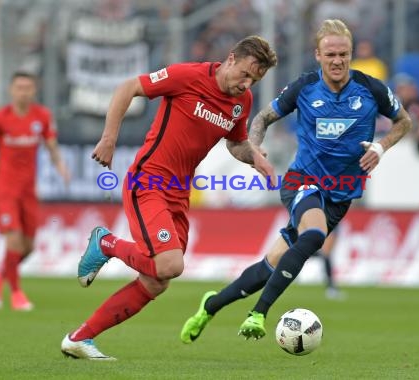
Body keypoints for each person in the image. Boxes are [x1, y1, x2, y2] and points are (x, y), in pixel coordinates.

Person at [180, 19, 412, 343]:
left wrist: (381, 146)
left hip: (341, 195)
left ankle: (211, 305)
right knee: (315, 235)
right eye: (330, 54)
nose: (337, 61)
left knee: (269, 266)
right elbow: (262, 117)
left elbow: (403, 121)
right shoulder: (304, 87)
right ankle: (258, 313)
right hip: (302, 181)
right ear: (317, 55)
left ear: (351, 54)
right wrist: (254, 144)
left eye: (343, 54)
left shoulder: (370, 89)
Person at [60, 35, 278, 360]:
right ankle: (106, 244)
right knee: (170, 263)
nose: (247, 83)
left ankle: (80, 338)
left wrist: (254, 157)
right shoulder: (187, 76)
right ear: (231, 58)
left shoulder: (241, 101)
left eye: (254, 79)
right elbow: (128, 87)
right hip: (148, 181)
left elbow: (235, 142)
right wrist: (109, 138)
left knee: (157, 281)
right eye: (245, 73)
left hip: (178, 193)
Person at [0, 71, 70, 311]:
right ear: (11, 90)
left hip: (28, 190)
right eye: (19, 87)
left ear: (34, 90)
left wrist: (61, 167)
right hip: (5, 188)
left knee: (28, 247)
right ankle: (16, 294)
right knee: (13, 241)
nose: (23, 91)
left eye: (28, 87)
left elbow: (51, 146)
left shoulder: (42, 116)